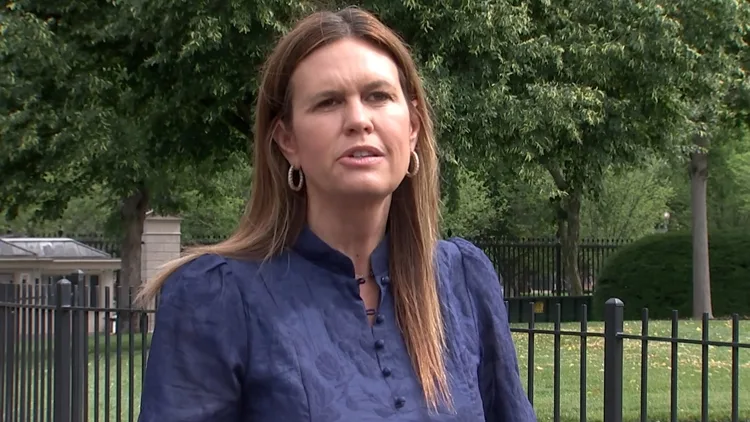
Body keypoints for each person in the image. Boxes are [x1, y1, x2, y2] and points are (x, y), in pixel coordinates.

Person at [136, 6, 536, 422]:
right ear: (287, 140)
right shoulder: (216, 297)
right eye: (328, 102)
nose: (359, 120)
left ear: (413, 127)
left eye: (378, 96)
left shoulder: (462, 282)